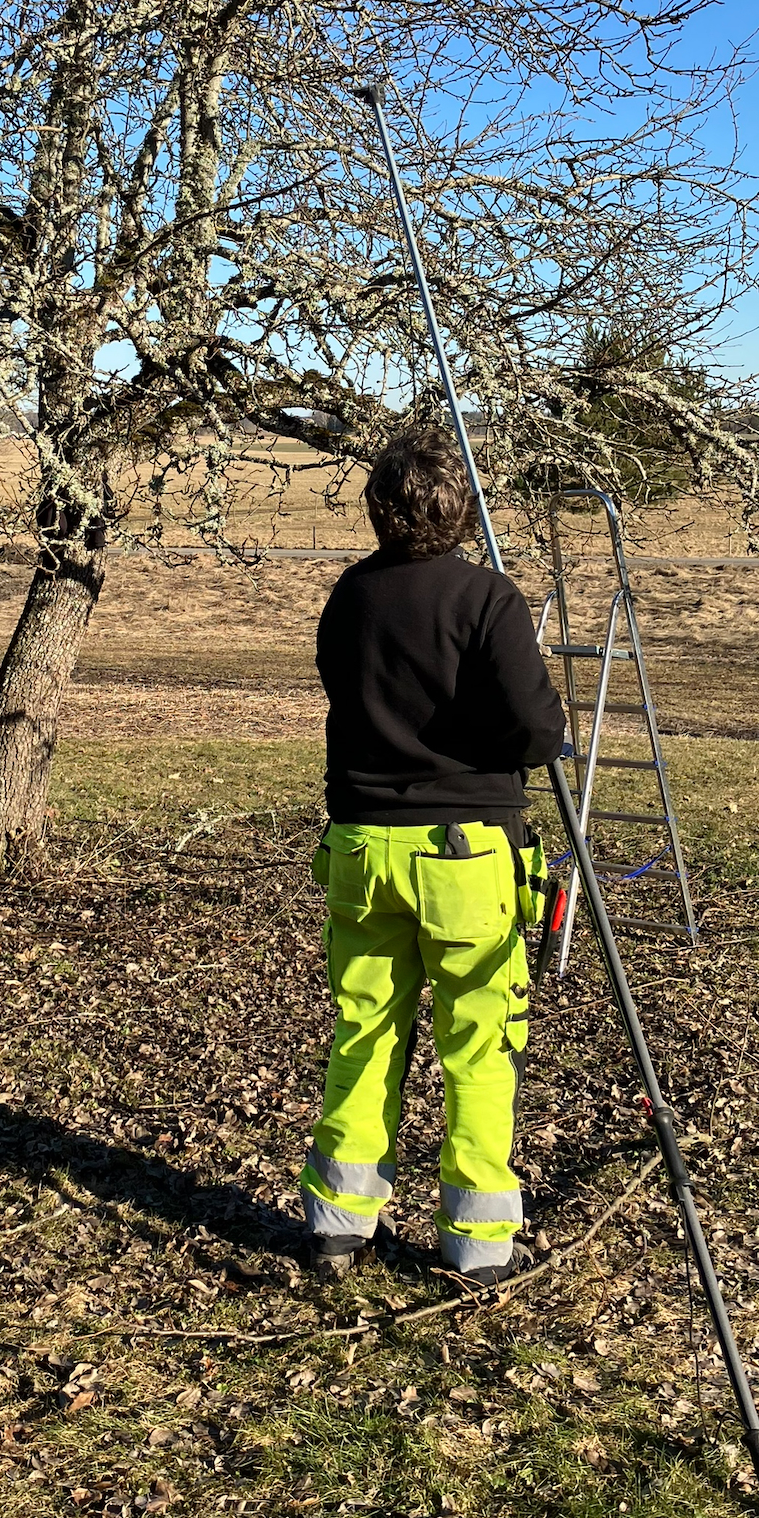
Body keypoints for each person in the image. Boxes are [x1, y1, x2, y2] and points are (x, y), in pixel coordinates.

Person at [302, 425, 567, 1284]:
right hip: (466, 857)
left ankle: (339, 1223)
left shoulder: (350, 596)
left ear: (378, 509)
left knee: (365, 1032)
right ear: (460, 510)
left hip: (360, 849)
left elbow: (347, 691)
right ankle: (479, 1245)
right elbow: (538, 734)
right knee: (479, 1047)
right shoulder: (488, 598)